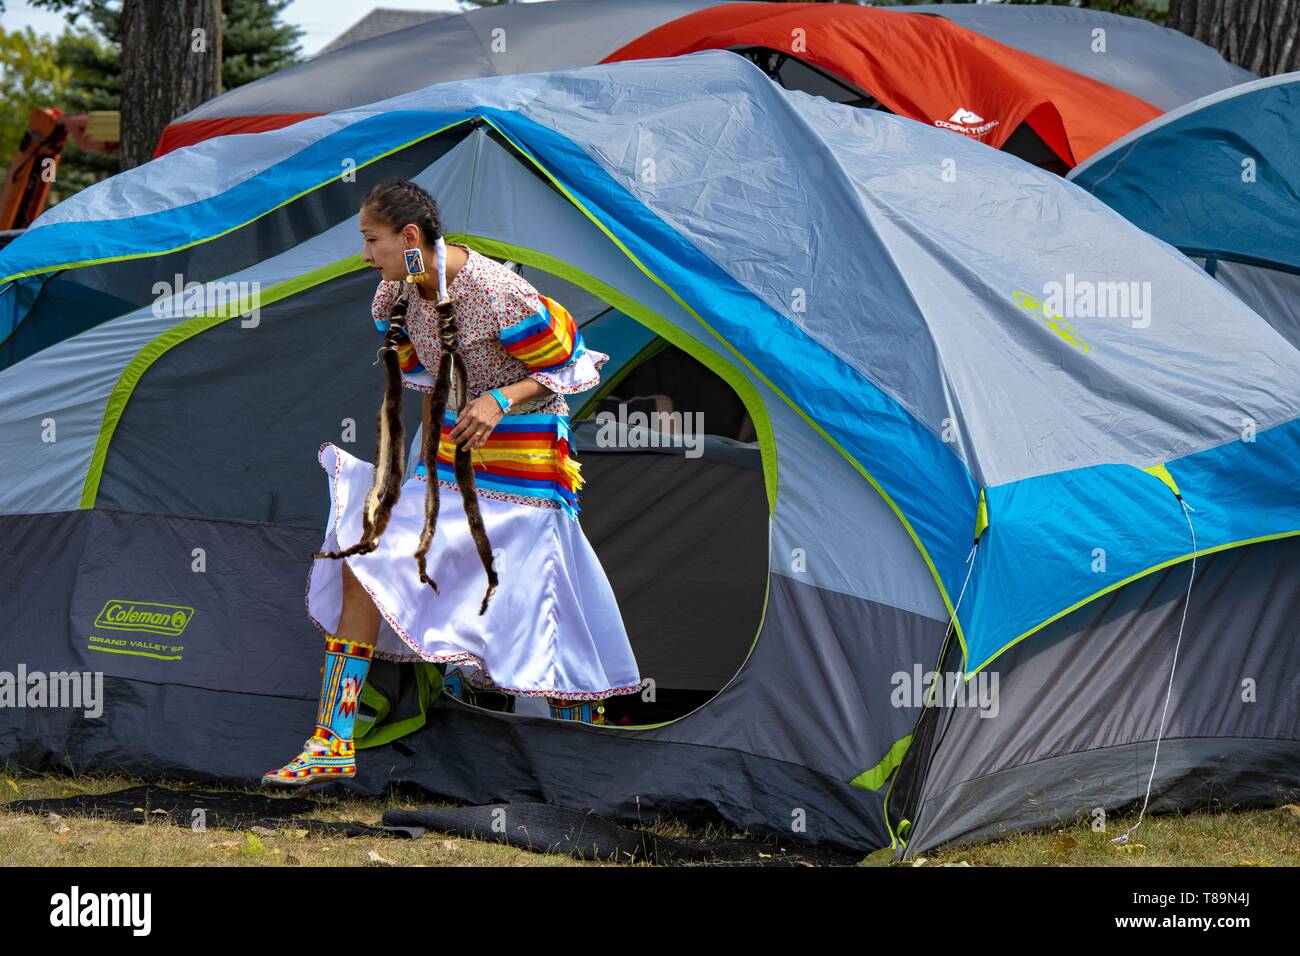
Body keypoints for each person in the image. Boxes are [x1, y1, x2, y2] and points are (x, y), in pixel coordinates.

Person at [261, 177, 642, 787]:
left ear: (410, 237)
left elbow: (574, 366)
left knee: (540, 616)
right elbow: (427, 378)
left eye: (371, 240)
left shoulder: (497, 293)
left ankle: (583, 762)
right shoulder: (398, 292)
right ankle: (332, 740)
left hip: (523, 473)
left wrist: (499, 398)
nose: (365, 255)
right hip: (445, 465)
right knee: (365, 560)